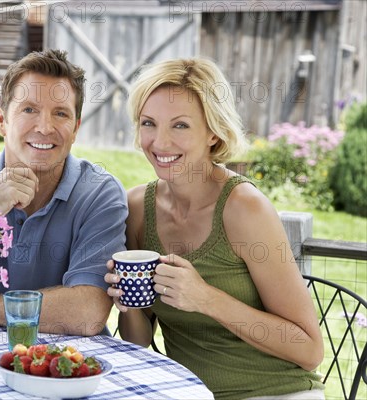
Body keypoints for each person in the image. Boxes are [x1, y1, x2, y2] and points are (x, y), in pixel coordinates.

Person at [104, 58, 325, 399]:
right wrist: (129, 304)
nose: (160, 142)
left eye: (180, 126)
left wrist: (205, 298)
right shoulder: (138, 209)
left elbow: (309, 350)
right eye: (149, 123)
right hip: (188, 393)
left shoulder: (243, 209)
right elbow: (140, 340)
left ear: (213, 132)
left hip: (275, 392)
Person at [0, 49, 127, 336]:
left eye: (60, 114)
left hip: (69, 367)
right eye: (29, 109)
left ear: (76, 129)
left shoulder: (99, 194)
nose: (45, 127)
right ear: (1, 121)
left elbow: (86, 313)